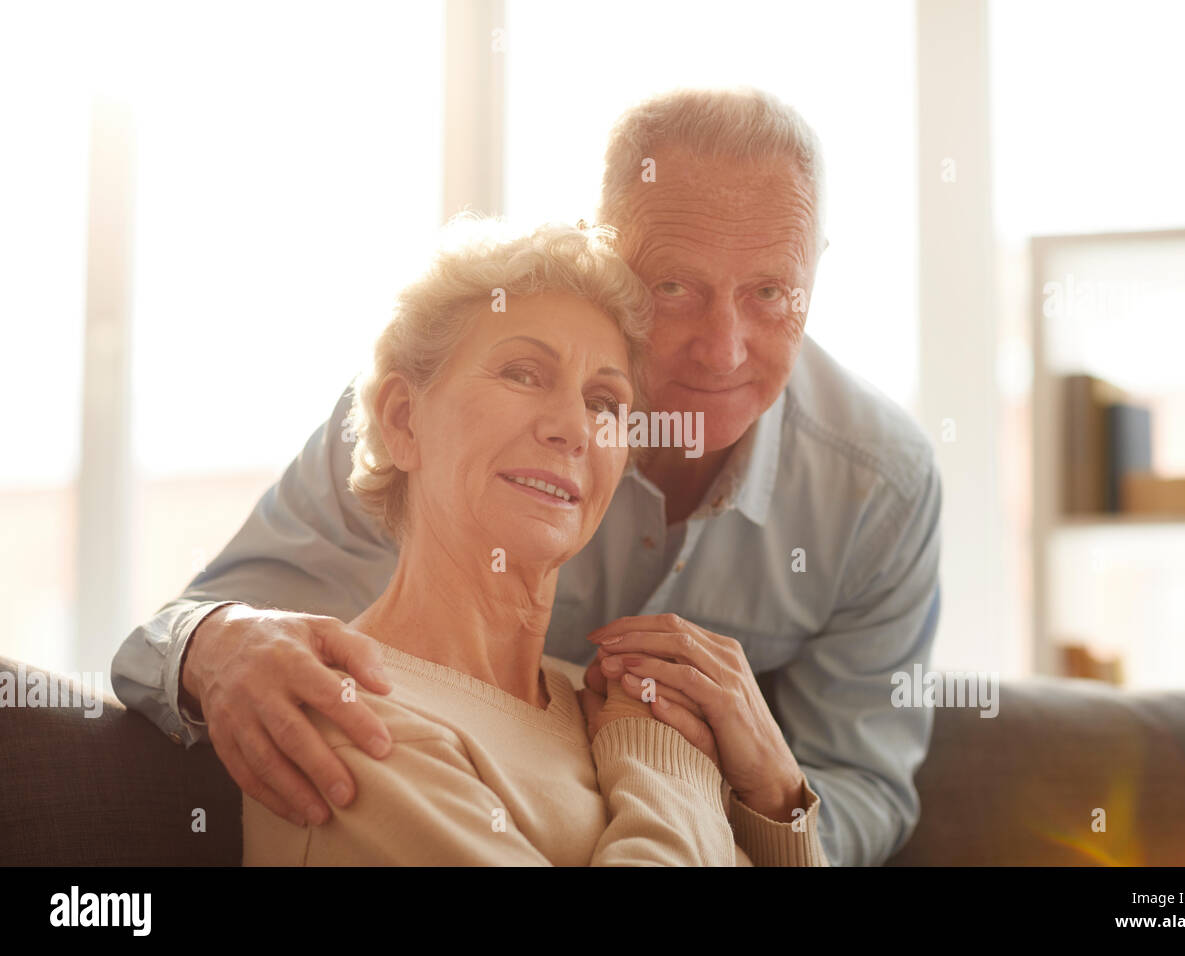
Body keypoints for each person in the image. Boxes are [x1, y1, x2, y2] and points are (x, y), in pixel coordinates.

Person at [112, 87, 943, 867]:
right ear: (606, 254)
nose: (723, 348)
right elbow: (201, 632)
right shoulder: (418, 420)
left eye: (770, 292)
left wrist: (770, 783)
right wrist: (207, 644)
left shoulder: (879, 488)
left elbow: (860, 781)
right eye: (674, 286)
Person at [242, 219, 826, 865]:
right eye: (522, 373)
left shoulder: (609, 703)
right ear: (404, 419)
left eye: (605, 402)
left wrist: (776, 801)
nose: (574, 427)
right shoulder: (347, 716)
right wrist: (670, 769)